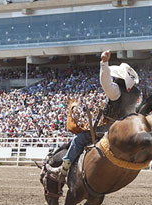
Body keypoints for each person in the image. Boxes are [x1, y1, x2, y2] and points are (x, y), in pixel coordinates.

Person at [51, 49, 140, 182]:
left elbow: (105, 83)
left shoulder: (116, 91)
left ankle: (63, 169)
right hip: (126, 127)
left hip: (111, 127)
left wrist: (104, 63)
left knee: (79, 139)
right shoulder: (135, 93)